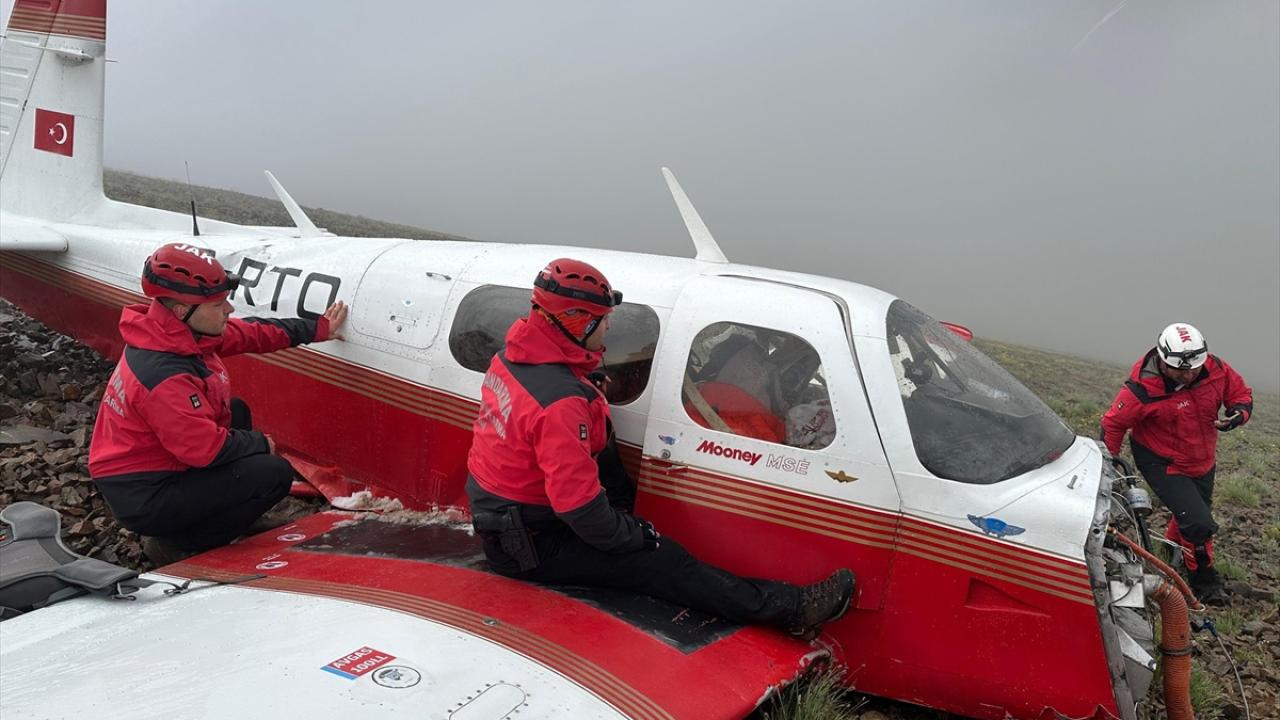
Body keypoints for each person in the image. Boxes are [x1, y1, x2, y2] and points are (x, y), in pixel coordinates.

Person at [466, 258, 855, 639]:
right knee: (662, 561)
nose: (608, 332)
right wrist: (636, 538)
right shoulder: (562, 403)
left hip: (510, 519)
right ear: (579, 325)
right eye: (603, 323)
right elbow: (579, 509)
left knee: (619, 487)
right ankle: (789, 609)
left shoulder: (514, 359)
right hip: (532, 543)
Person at [88, 243, 348, 562]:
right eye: (219, 304)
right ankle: (178, 544)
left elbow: (254, 332)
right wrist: (257, 443)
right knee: (274, 474)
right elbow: (205, 450)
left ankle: (226, 513)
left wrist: (317, 328)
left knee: (236, 411)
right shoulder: (164, 374)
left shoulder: (173, 332)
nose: (229, 310)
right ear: (183, 309)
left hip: (153, 465)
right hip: (143, 493)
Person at [1101, 323, 1253, 604]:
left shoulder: (1216, 368)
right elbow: (1113, 424)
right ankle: (1203, 582)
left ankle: (1175, 553)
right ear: (1163, 361)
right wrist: (1106, 469)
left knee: (1189, 514)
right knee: (1198, 524)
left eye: (1194, 367)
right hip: (1162, 461)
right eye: (1180, 370)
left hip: (1202, 459)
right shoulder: (1142, 389)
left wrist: (1237, 415)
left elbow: (1241, 395)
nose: (1189, 374)